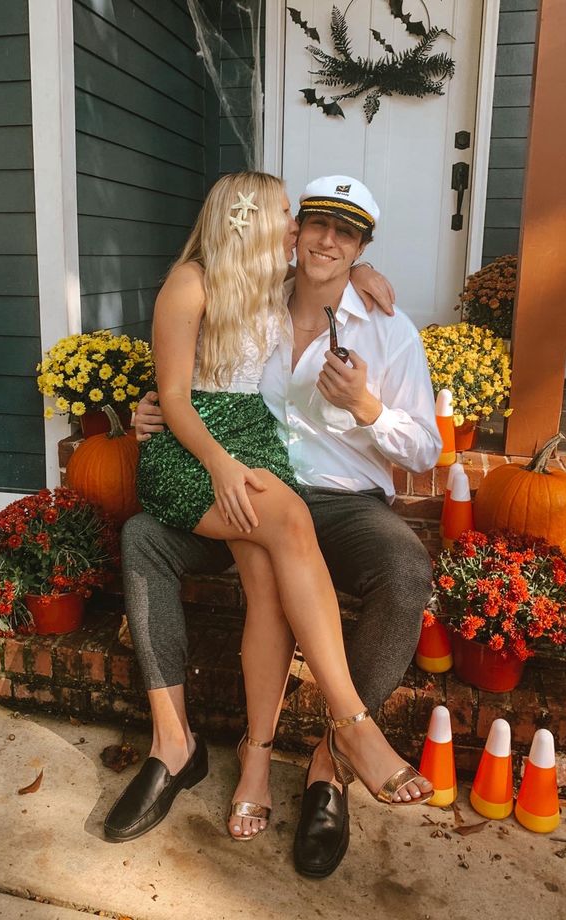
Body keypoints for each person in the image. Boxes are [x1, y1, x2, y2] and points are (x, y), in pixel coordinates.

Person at [104, 174, 440, 878]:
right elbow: (191, 372)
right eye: (311, 223)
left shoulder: (387, 327)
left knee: (405, 569)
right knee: (142, 537)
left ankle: (331, 757)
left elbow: (425, 453)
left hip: (339, 501)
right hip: (242, 472)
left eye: (346, 235)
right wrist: (153, 409)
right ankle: (180, 746)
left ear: (362, 248)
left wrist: (370, 407)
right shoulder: (258, 285)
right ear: (282, 231)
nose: (321, 239)